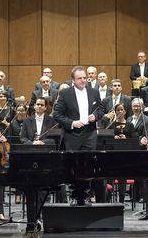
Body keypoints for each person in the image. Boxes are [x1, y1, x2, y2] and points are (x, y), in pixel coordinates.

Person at [53, 66, 105, 205]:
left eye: (84, 78)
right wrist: (72, 123)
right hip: (72, 134)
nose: (83, 81)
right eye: (79, 78)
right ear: (73, 80)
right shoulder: (65, 93)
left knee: (88, 166)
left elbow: (101, 109)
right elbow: (57, 115)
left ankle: (86, 195)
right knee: (74, 166)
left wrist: (95, 116)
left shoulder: (94, 92)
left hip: (90, 134)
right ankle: (75, 196)